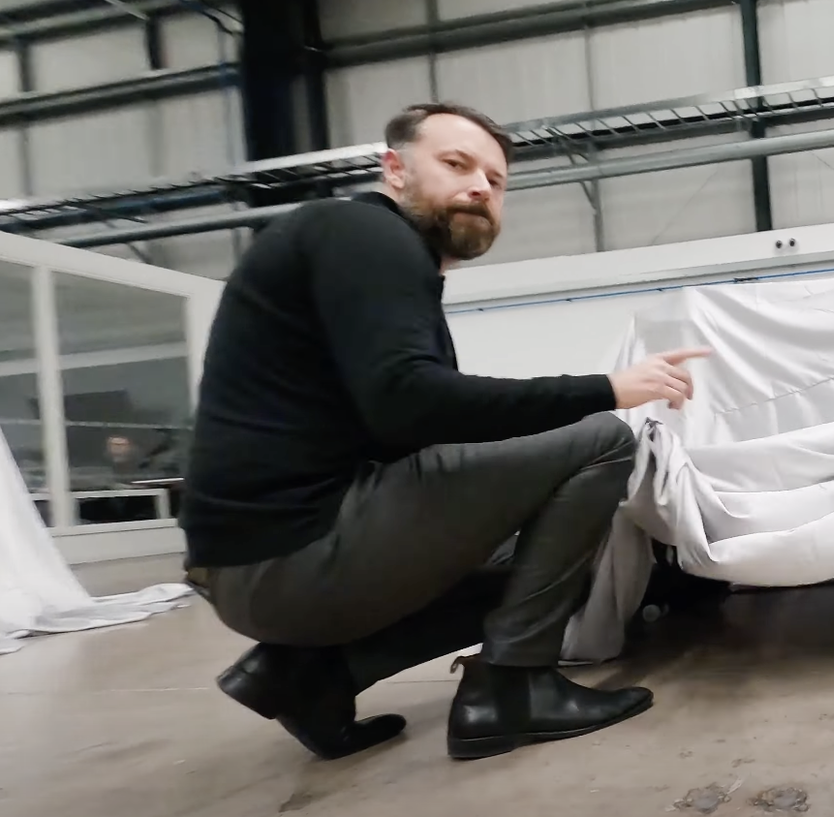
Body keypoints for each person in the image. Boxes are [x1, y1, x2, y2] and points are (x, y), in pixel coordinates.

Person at [179, 102, 710, 762]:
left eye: (496, 180)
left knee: (541, 556)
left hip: (257, 566)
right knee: (602, 439)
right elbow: (410, 405)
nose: (480, 187)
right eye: (456, 164)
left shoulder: (355, 251)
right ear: (395, 169)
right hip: (289, 559)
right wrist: (607, 388)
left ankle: (312, 678)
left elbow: (405, 429)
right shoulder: (368, 235)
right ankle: (513, 692)